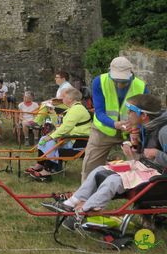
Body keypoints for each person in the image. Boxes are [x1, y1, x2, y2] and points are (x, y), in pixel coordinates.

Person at [42, 94, 166, 224]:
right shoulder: (147, 127)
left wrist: (157, 153)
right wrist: (134, 147)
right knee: (100, 169)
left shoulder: (164, 131)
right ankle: (71, 203)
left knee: (113, 180)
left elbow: (154, 153)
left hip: (159, 176)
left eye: (130, 111)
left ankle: (83, 212)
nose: (127, 114)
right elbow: (145, 152)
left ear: (144, 115)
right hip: (145, 168)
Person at [81, 56, 148, 181]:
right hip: (103, 130)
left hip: (130, 131)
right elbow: (99, 112)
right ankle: (85, 197)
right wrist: (115, 124)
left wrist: (136, 129)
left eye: (123, 80)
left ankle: (138, 194)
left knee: (140, 165)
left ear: (131, 74)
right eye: (116, 80)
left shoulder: (141, 86)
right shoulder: (99, 82)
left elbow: (145, 114)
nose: (120, 84)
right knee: (90, 166)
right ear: (109, 72)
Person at [26, 87, 91, 181]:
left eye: (64, 97)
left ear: (70, 99)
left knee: (49, 142)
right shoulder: (73, 109)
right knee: (44, 139)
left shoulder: (77, 109)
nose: (62, 99)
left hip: (78, 141)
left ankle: (47, 171)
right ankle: (40, 165)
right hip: (71, 139)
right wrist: (52, 114)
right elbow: (60, 126)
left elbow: (65, 128)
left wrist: (51, 137)